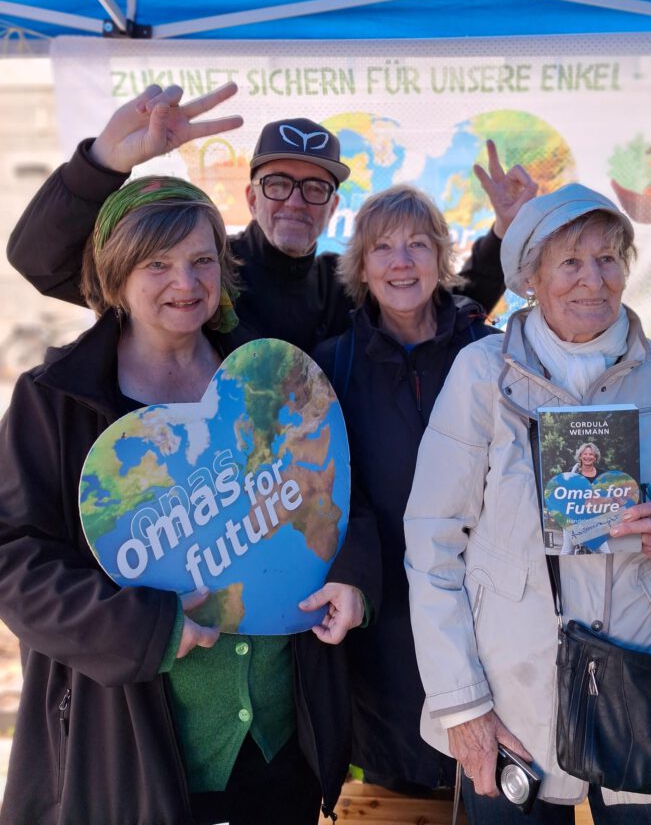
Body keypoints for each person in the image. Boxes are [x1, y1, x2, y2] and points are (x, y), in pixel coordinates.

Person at [0, 177, 378, 825]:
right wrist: (146, 628)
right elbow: (14, 564)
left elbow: (340, 496)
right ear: (118, 274)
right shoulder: (58, 399)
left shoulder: (266, 378)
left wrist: (353, 580)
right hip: (134, 749)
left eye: (202, 260)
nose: (186, 281)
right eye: (158, 264)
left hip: (281, 748)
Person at [404, 183, 651, 824]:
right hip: (516, 697)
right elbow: (432, 545)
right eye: (570, 261)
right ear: (531, 277)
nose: (593, 279)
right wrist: (462, 705)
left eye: (609, 258)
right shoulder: (483, 375)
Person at [7, 83, 536, 352]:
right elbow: (41, 262)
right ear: (252, 196)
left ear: (332, 206)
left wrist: (503, 232)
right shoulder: (199, 274)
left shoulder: (343, 284)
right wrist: (101, 162)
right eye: (278, 184)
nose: (295, 201)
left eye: (315, 188)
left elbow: (442, 304)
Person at [313, 184, 500, 796]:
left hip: (485, 608)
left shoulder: (488, 350)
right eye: (383, 248)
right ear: (361, 267)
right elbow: (334, 495)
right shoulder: (333, 365)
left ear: (441, 258)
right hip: (386, 616)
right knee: (405, 785)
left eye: (418, 245)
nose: (401, 262)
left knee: (496, 778)